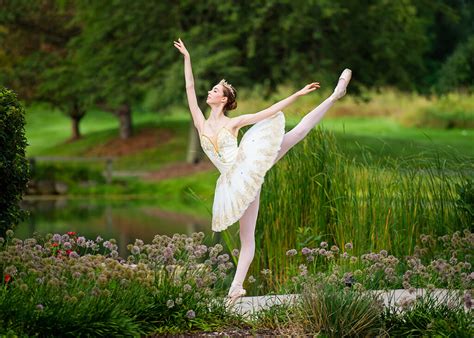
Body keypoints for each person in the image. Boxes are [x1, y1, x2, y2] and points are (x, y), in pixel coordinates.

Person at [174, 38, 351, 306]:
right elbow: (189, 86)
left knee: (297, 133)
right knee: (246, 238)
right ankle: (235, 289)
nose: (208, 92)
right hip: (232, 182)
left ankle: (335, 95)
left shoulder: (235, 123)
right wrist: (187, 56)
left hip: (249, 164)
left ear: (223, 99)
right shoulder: (200, 122)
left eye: (214, 90)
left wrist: (298, 94)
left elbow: (268, 111)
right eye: (210, 89)